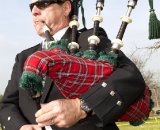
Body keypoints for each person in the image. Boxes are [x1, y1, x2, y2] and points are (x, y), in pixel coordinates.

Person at [0, 0, 146, 130]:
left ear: (66, 8)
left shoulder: (89, 40)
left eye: (42, 4)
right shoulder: (23, 57)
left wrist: (81, 106)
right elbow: (7, 104)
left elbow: (131, 78)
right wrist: (20, 126)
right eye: (31, 6)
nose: (34, 11)